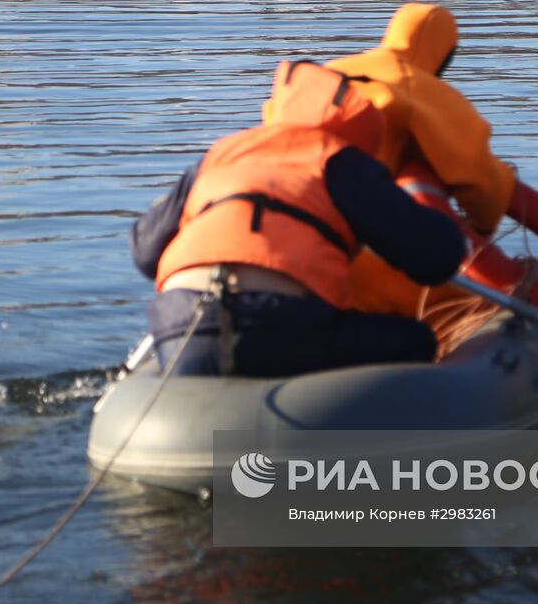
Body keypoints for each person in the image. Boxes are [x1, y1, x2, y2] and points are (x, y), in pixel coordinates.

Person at [131, 59, 468, 378]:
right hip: (274, 325)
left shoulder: (222, 152)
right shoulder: (338, 158)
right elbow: (437, 257)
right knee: (416, 339)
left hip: (178, 324)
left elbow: (145, 254)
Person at [264, 3, 526, 354]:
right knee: (475, 310)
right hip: (383, 257)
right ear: (444, 57)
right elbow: (480, 184)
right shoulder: (424, 89)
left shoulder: (327, 76)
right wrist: (481, 230)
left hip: (289, 258)